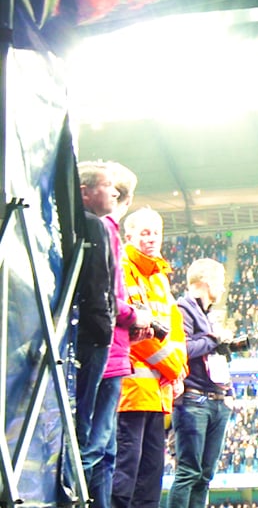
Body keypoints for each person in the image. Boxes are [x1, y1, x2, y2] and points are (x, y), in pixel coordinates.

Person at [78, 161, 152, 508]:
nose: (110, 193)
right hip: (107, 346)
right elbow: (106, 294)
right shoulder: (103, 229)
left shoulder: (102, 230)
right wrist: (133, 316)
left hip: (115, 346)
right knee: (97, 445)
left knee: (104, 447)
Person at [112, 208, 188, 508]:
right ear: (128, 236)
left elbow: (176, 333)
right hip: (131, 392)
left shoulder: (160, 278)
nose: (152, 239)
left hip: (157, 393)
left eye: (156, 232)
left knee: (151, 478)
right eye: (145, 233)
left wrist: (180, 370)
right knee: (125, 475)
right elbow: (137, 332)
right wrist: (173, 368)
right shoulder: (123, 268)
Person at [167, 258, 233, 508]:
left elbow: (213, 355)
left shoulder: (207, 316)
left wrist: (229, 392)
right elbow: (181, 348)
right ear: (206, 281)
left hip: (216, 400)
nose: (223, 288)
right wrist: (213, 339)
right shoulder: (182, 308)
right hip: (194, 400)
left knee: (205, 476)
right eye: (221, 282)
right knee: (188, 473)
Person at [73, 161, 118, 494]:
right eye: (106, 185)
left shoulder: (88, 225)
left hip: (86, 333)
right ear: (85, 192)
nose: (113, 191)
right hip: (92, 338)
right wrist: (105, 328)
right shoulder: (95, 228)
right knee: (86, 426)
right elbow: (97, 285)